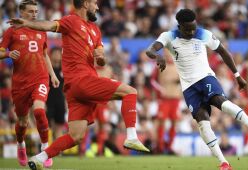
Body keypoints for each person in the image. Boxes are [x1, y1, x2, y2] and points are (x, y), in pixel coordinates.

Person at [9, 0, 149, 169]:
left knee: (75, 136)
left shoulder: (95, 30)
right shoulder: (71, 21)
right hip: (81, 80)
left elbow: (101, 58)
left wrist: (101, 58)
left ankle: (39, 158)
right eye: (95, 3)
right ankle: (132, 136)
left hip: (75, 89)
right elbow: (49, 25)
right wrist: (27, 23)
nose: (97, 7)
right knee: (130, 91)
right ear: (85, 4)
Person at [145, 9, 248, 170]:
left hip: (206, 77)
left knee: (220, 102)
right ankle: (224, 163)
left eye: (194, 27)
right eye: (188, 29)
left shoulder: (203, 34)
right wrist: (157, 56)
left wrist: (237, 75)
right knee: (202, 123)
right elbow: (150, 49)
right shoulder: (169, 36)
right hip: (188, 88)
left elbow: (223, 51)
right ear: (179, 26)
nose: (192, 31)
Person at [0, 0, 59, 168]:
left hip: (40, 78)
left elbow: (44, 54)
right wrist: (9, 53)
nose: (34, 14)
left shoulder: (41, 30)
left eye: (36, 11)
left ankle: (45, 150)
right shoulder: (12, 31)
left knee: (39, 111)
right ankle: (21, 145)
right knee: (23, 122)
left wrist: (52, 75)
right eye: (30, 11)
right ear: (21, 13)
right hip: (20, 83)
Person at [150, 49, 181, 154]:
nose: (168, 55)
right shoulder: (159, 65)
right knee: (161, 121)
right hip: (164, 99)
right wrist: (160, 89)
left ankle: (170, 146)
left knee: (174, 122)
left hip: (175, 98)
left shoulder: (179, 66)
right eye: (166, 53)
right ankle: (160, 146)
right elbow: (152, 80)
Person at [46, 47, 66, 139]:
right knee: (47, 126)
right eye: (55, 53)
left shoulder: (64, 70)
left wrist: (66, 102)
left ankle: (59, 150)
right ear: (51, 55)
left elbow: (66, 87)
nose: (58, 55)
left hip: (60, 101)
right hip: (48, 100)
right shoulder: (47, 70)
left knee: (59, 126)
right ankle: (46, 147)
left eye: (59, 54)